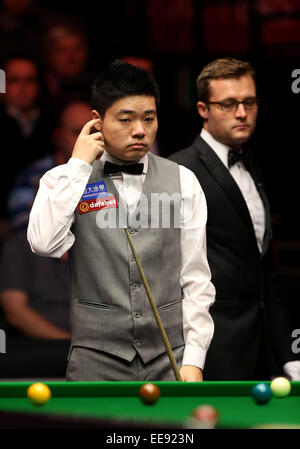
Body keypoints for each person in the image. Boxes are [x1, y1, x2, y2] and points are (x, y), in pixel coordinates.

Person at [27, 60, 215, 382]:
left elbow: (195, 279)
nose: (140, 130)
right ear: (97, 122)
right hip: (95, 363)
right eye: (125, 119)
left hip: (170, 359)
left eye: (149, 118)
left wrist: (194, 359)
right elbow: (44, 244)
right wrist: (78, 167)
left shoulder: (184, 181)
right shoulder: (64, 179)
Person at [169, 57, 300, 381]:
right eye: (228, 104)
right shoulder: (179, 171)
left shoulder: (254, 165)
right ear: (203, 109)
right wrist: (189, 357)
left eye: (249, 102)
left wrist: (289, 355)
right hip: (211, 349)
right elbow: (168, 270)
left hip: (263, 348)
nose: (241, 113)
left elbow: (263, 267)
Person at [7, 101, 91, 231]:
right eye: (77, 132)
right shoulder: (32, 176)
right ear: (58, 136)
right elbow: (23, 227)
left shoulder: (107, 171)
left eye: (93, 131)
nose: (86, 138)